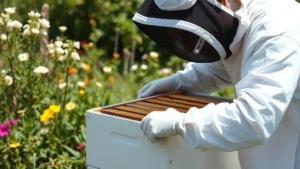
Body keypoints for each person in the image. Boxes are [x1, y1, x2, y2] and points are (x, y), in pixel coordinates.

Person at [132, 0, 300, 168]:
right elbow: (223, 66)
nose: (189, 44)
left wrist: (182, 123)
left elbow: (253, 120)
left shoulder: (274, 33)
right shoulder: (243, 16)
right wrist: (179, 82)